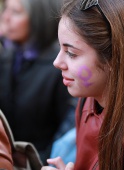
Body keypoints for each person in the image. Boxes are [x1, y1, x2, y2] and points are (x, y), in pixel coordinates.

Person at [42, 0, 124, 169]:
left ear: (114, 58)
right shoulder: (88, 102)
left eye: (71, 53)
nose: (57, 62)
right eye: (60, 48)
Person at [0, 0, 76, 165]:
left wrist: (38, 161)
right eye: (6, 9)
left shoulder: (60, 64)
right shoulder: (8, 56)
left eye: (16, 12)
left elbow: (68, 127)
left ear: (38, 18)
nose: (5, 17)